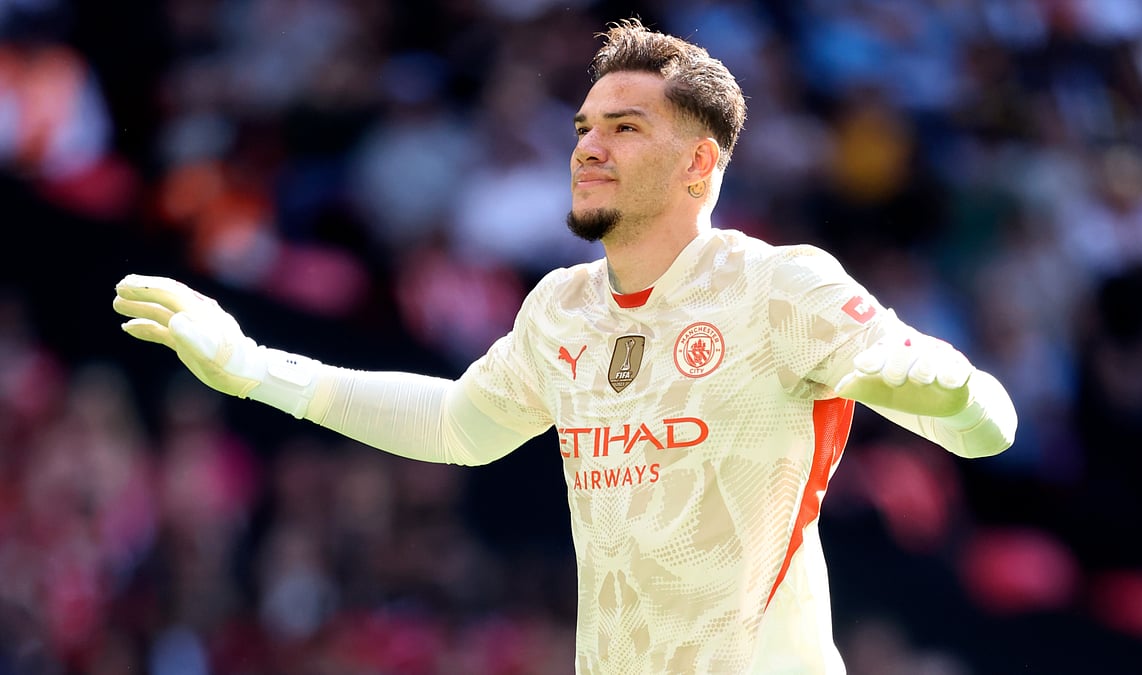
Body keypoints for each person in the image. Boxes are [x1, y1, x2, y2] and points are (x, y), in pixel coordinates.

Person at [113, 18, 1017, 675]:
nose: (588, 147)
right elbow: (458, 425)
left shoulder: (778, 286)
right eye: (584, 126)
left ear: (699, 164)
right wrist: (253, 367)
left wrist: (947, 388)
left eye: (626, 128)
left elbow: (990, 429)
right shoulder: (562, 308)